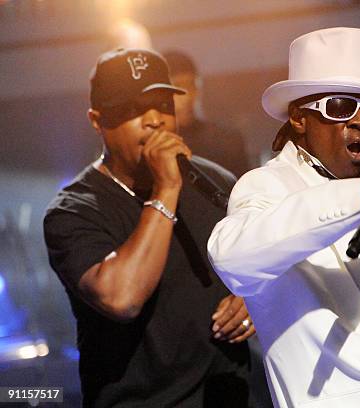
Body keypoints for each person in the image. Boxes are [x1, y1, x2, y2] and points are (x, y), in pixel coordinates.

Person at [208, 27, 360, 408]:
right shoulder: (268, 185)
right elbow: (231, 256)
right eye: (340, 107)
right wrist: (358, 196)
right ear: (299, 117)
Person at [44, 48, 254, 407]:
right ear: (97, 121)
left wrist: (255, 297)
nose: (155, 119)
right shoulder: (74, 211)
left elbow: (264, 262)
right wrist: (166, 189)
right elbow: (122, 299)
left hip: (228, 395)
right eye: (134, 109)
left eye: (163, 105)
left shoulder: (212, 180)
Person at [163, 50, 252, 177]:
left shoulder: (228, 140)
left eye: (191, 85)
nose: (187, 96)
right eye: (178, 87)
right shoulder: (156, 148)